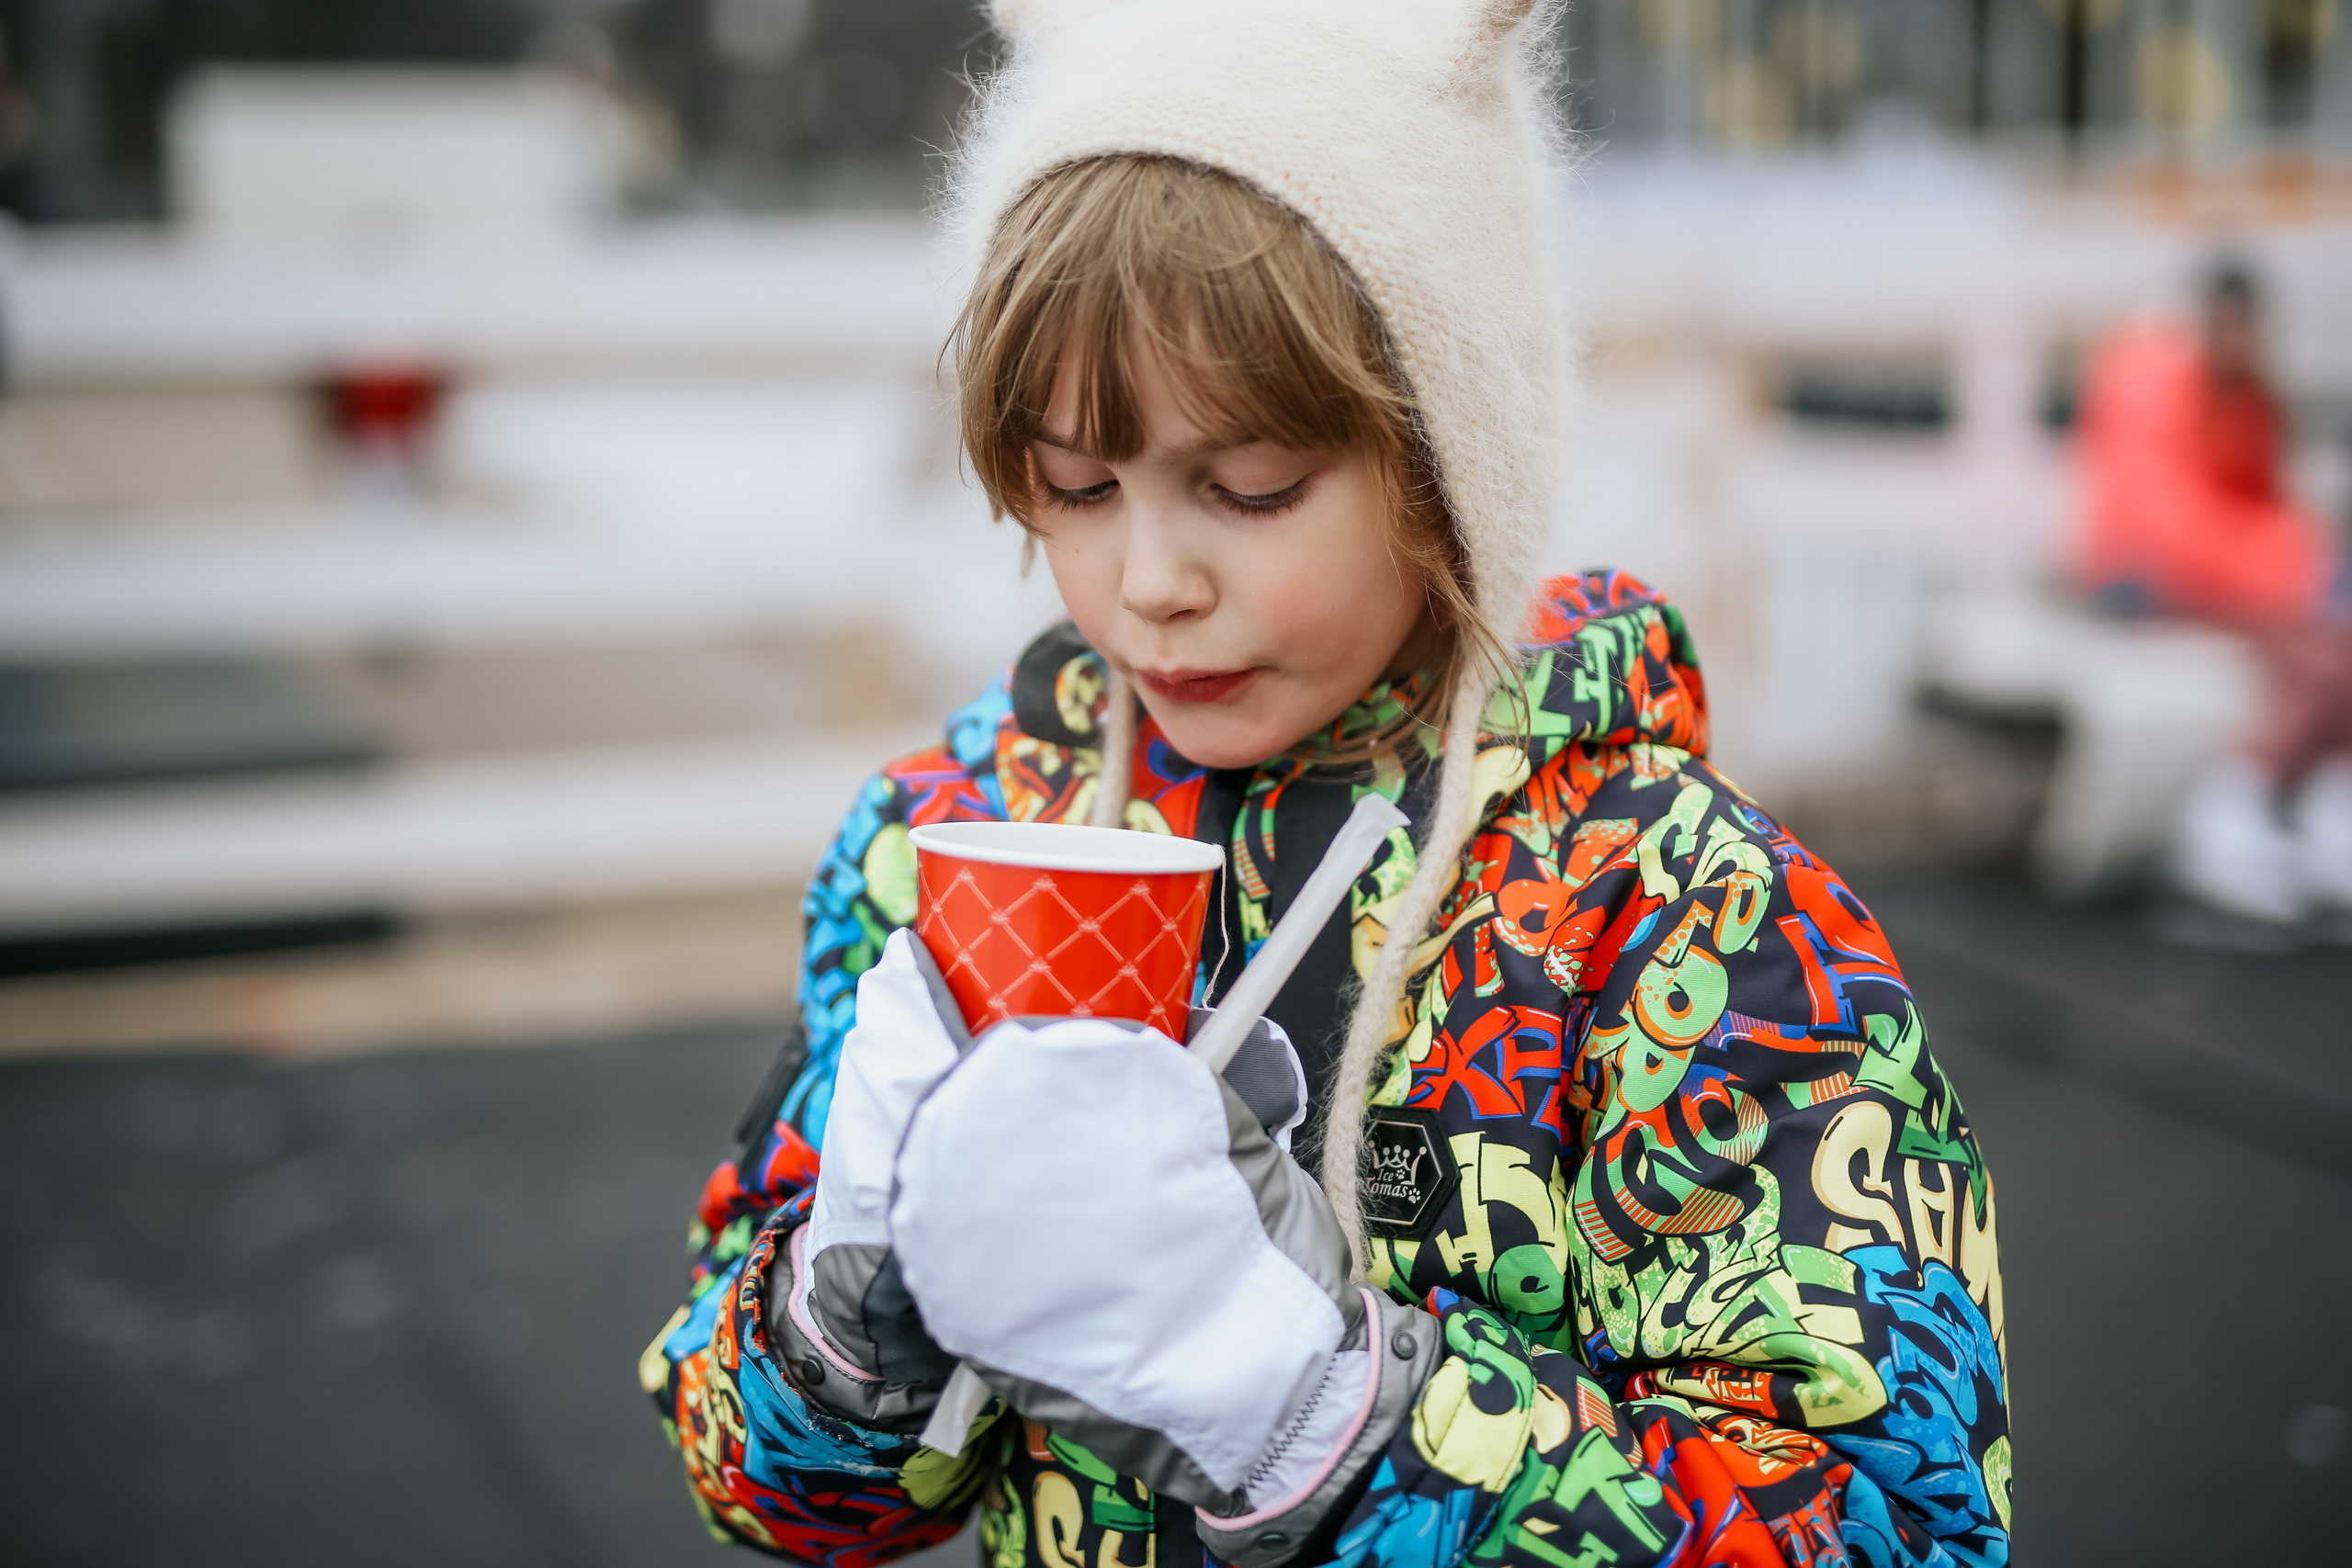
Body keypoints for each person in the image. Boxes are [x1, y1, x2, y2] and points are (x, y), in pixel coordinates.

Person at [640, 3, 2011, 1565]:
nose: (1150, 577)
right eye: (1078, 487)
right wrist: (842, 1324)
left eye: (1249, 488)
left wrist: (1328, 1417)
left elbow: (1891, 1524)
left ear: (1449, 451)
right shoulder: (946, 845)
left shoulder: (1682, 921)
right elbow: (760, 1484)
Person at [2074, 260, 2352, 936]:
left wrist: (2302, 565)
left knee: (2333, 640)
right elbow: (2163, 524)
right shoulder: (2160, 383)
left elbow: (2255, 505)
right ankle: (2232, 807)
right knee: (2319, 650)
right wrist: (2296, 566)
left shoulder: (2248, 397)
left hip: (2216, 575)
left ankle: (2318, 809)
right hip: (2139, 576)